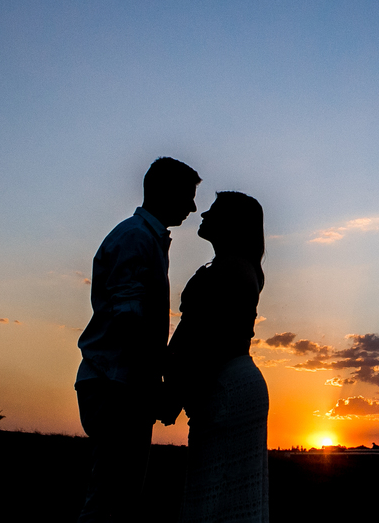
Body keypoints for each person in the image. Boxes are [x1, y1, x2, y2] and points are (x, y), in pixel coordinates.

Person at [75, 156, 201, 522]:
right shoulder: (135, 239)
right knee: (111, 501)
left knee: (118, 498)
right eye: (188, 196)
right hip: (116, 385)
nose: (194, 207)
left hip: (121, 383)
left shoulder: (146, 238)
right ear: (164, 192)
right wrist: (157, 384)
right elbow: (129, 321)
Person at [167, 191, 269, 523]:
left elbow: (210, 341)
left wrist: (176, 393)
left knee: (217, 494)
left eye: (214, 210)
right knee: (218, 492)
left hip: (225, 383)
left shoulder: (234, 270)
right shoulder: (228, 266)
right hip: (224, 381)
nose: (203, 213)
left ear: (233, 223)